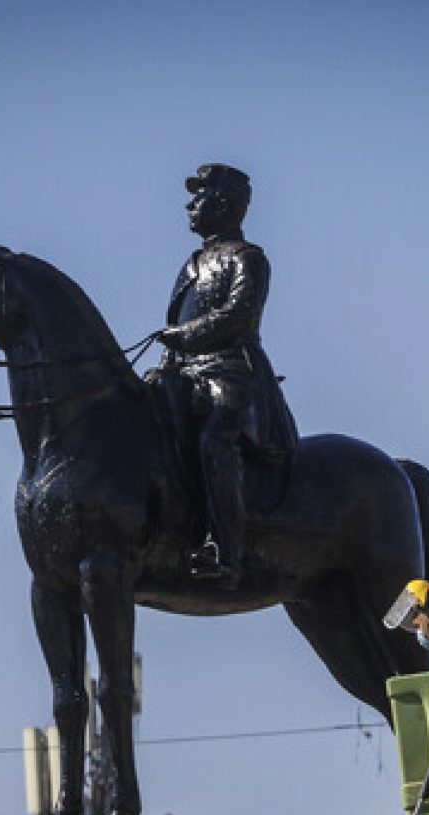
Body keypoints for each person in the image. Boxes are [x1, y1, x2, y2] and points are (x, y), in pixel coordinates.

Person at [148, 163, 297, 586]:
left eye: (200, 196)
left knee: (216, 439)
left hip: (231, 370)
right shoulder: (191, 264)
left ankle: (226, 551)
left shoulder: (249, 258)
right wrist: (168, 361)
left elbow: (239, 316)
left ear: (226, 204)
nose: (190, 205)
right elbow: (179, 322)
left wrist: (183, 336)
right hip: (185, 372)